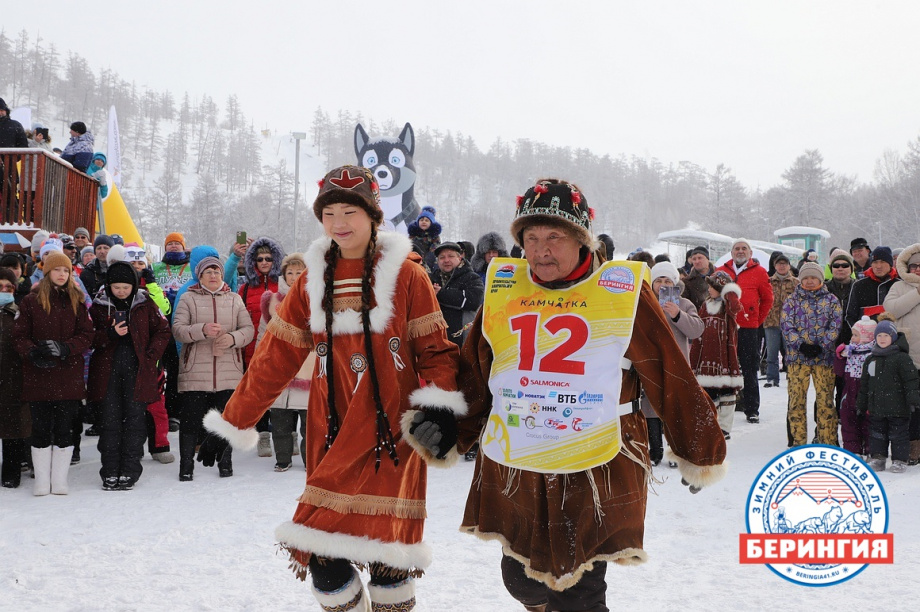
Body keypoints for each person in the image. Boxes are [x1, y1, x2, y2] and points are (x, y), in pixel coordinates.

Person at [411, 178, 726, 612]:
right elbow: (476, 368)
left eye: (554, 238)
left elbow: (669, 371)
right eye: (531, 238)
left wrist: (698, 447)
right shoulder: (507, 288)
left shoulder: (621, 291)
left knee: (578, 589)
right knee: (521, 580)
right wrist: (450, 425)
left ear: (582, 240)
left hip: (598, 457)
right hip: (518, 455)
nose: (541, 250)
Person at [198, 165, 462, 611]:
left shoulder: (408, 275)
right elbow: (273, 358)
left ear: (373, 216)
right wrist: (234, 421)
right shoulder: (310, 281)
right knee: (325, 560)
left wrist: (439, 410)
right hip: (331, 432)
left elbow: (436, 351)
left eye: (350, 211)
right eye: (330, 213)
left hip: (390, 440)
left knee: (387, 562)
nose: (340, 222)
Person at [12, 249, 93, 495]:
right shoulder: (30, 301)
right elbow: (19, 336)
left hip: (67, 375)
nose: (61, 274)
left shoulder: (77, 300)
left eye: (66, 270)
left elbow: (87, 335)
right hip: (38, 374)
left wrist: (67, 348)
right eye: (57, 269)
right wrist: (32, 352)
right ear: (47, 272)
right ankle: (41, 480)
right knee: (40, 427)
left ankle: (59, 480)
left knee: (64, 428)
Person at [87, 260, 170, 490]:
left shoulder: (145, 303)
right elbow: (89, 337)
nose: (121, 291)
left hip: (138, 372)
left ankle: (130, 470)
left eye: (125, 286)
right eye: (117, 287)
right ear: (109, 286)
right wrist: (110, 334)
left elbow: (163, 331)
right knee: (110, 423)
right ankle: (110, 470)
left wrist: (150, 355)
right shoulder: (99, 306)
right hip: (107, 373)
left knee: (135, 422)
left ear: (133, 284)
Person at [172, 255, 254, 482]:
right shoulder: (188, 298)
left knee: (226, 419)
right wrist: (201, 330)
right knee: (190, 420)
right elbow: (178, 330)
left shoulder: (235, 299)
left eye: (217, 271)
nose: (213, 275)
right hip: (195, 371)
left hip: (229, 371)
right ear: (199, 276)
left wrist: (232, 339)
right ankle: (186, 465)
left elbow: (248, 330)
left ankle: (225, 461)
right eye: (208, 272)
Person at [644, 261, 704, 465]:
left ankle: (674, 451)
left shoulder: (685, 304)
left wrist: (677, 314)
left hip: (677, 364)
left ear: (675, 284)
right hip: (650, 361)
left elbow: (697, 330)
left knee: (674, 407)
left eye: (667, 280)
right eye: (658, 280)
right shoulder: (644, 302)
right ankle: (655, 451)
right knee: (650, 405)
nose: (662, 284)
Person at [257, 253, 312, 471]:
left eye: (299, 272)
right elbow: (263, 332)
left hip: (308, 367)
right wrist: (263, 359)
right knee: (280, 420)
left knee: (310, 424)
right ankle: (283, 458)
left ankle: (311, 460)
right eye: (290, 272)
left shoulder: (316, 300)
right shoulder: (272, 301)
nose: (294, 276)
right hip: (279, 368)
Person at [780, 262, 842, 447]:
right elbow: (786, 324)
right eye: (805, 278)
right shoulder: (792, 300)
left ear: (820, 279)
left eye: (813, 277)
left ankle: (828, 441)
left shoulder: (831, 300)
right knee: (796, 401)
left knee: (825, 401)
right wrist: (800, 345)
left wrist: (822, 345)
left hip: (824, 358)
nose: (809, 281)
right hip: (797, 359)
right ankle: (797, 442)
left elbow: (835, 324)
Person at [716, 238, 773, 423]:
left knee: (749, 369)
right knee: (723, 368)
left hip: (749, 328)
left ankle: (752, 409)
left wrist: (756, 319)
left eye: (744, 249)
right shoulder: (721, 271)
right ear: (731, 253)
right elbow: (714, 297)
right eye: (736, 249)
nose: (740, 251)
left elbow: (767, 300)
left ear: (750, 253)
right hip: (725, 327)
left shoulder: (759, 272)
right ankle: (722, 407)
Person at [239, 236, 285, 457]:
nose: (264, 262)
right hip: (253, 349)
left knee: (283, 392)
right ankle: (263, 434)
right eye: (259, 259)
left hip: (280, 347)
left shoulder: (284, 285)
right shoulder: (246, 289)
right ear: (253, 262)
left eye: (268, 258)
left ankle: (285, 435)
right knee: (259, 394)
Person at [857, 320, 919, 473]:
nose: (882, 338)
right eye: (879, 335)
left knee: (899, 435)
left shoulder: (902, 359)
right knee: (877, 434)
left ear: (893, 337)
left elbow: (910, 381)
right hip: (877, 407)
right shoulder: (871, 360)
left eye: (886, 335)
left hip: (898, 408)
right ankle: (878, 458)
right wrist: (861, 404)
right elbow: (865, 385)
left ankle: (899, 460)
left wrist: (913, 400)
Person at [690, 270, 744, 438]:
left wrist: (729, 291)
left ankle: (725, 427)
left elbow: (736, 307)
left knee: (727, 393)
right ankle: (711, 423)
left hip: (725, 357)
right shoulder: (705, 306)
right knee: (709, 392)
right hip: (706, 356)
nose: (709, 289)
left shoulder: (728, 306)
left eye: (712, 286)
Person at [882, 244, 920, 465]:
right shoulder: (898, 287)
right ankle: (913, 447)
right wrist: (916, 293)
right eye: (913, 266)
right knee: (911, 406)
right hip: (908, 358)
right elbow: (892, 310)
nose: (916, 270)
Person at [0, 268, 30, 488]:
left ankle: (11, 472)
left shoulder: (19, 313)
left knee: (12, 426)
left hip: (13, 377)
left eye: (8, 287)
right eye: (0, 287)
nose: (4, 291)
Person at [429, 241, 484, 347]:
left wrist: (441, 294)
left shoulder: (471, 277)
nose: (446, 260)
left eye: (450, 256)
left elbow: (473, 300)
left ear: (459, 258)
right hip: (437, 341)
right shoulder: (432, 278)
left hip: (462, 340)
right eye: (442, 257)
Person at [837, 316, 876, 456]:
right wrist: (839, 358)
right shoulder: (849, 350)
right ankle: (852, 450)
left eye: (856, 335)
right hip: (850, 389)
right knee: (848, 420)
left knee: (868, 421)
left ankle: (871, 449)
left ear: (867, 336)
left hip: (866, 391)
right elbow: (839, 372)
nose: (852, 338)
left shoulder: (873, 354)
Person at [764, 254, 799, 388]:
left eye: (784, 263)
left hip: (790, 324)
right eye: (779, 264)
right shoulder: (768, 282)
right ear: (775, 266)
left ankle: (792, 377)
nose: (782, 266)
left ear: (789, 266)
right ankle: (772, 378)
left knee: (790, 353)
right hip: (771, 322)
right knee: (771, 354)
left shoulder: (796, 283)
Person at [845, 246, 898, 328]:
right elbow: (850, 316)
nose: (878, 266)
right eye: (875, 262)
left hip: (895, 337)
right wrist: (860, 333)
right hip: (866, 339)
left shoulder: (899, 285)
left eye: (883, 262)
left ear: (890, 264)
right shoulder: (859, 286)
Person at [0, 98, 28, 222]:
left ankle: (10, 221)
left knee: (9, 197)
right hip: (8, 167)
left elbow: (23, 148)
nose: (0, 112)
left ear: (6, 111)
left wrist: (9, 158)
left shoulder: (15, 125)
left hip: (9, 168)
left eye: (2, 110)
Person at [407, 205, 442, 271]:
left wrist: (426, 262)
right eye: (421, 220)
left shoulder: (434, 236)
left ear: (431, 223)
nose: (424, 222)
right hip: (414, 259)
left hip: (429, 262)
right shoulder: (413, 235)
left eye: (427, 220)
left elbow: (434, 250)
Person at [681, 245, 715, 310]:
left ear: (707, 259)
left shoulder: (719, 276)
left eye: (700, 258)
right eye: (694, 259)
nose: (697, 261)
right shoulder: (687, 282)